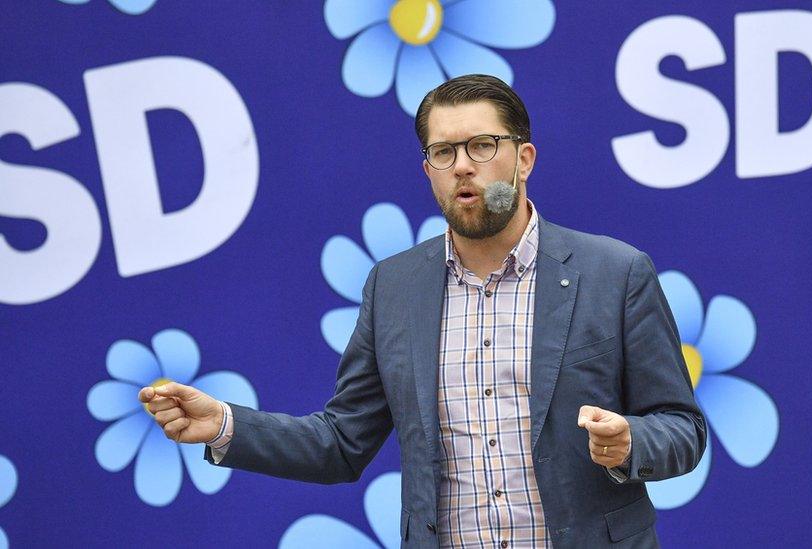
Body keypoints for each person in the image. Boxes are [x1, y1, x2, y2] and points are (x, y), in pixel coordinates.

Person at [139, 74, 706, 548]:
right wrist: (226, 426)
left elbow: (683, 429)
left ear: (523, 158)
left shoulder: (615, 273)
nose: (463, 166)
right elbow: (341, 442)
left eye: (482, 146)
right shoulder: (394, 287)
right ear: (428, 169)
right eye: (443, 152)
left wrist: (631, 442)